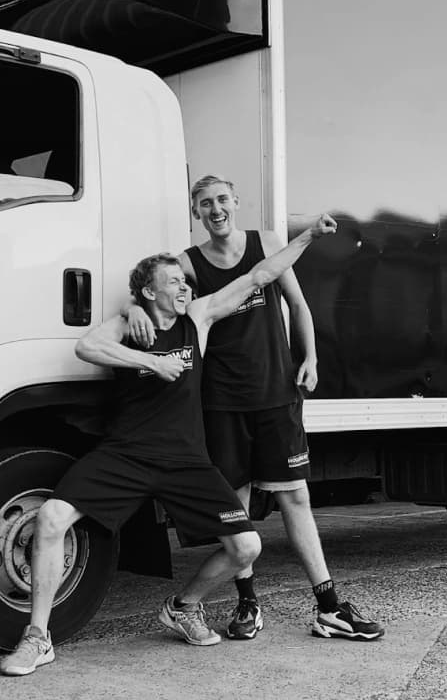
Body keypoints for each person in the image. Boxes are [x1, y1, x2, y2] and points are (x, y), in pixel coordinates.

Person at [0, 212, 338, 677]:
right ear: (147, 292)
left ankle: (183, 606)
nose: (185, 288)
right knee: (54, 516)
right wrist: (148, 361)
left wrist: (307, 237)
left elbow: (260, 275)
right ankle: (37, 637)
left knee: (246, 547)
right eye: (174, 282)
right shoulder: (126, 325)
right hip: (127, 453)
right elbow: (86, 347)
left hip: (185, 459)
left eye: (185, 281)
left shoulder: (197, 319)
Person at [127, 175, 385, 642]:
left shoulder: (266, 243)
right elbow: (151, 294)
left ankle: (329, 606)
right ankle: (248, 605)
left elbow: (299, 305)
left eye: (223, 199)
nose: (216, 209)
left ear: (236, 202)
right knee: (237, 508)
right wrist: (134, 312)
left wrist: (310, 357)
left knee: (296, 497)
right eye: (205, 203)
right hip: (222, 400)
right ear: (196, 212)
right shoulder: (188, 262)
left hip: (275, 392)